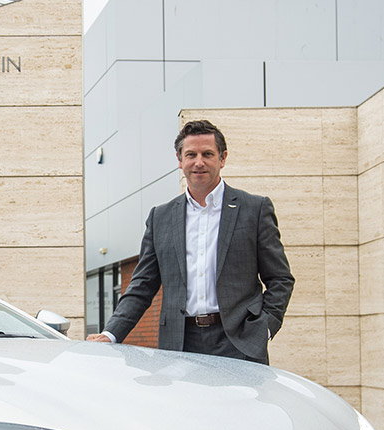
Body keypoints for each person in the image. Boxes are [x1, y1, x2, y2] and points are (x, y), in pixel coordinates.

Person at [86, 119, 294, 364]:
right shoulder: (160, 217)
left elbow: (280, 278)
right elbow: (142, 285)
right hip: (179, 344)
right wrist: (111, 333)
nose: (199, 162)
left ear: (222, 158)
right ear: (179, 160)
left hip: (239, 341)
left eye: (208, 154)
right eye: (191, 154)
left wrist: (264, 329)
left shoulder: (254, 209)